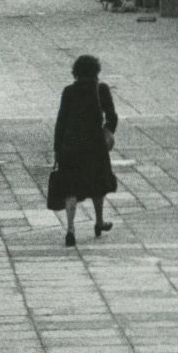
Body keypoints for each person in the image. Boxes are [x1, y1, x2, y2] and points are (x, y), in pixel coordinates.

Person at [52, 53, 119, 246]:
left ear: (76, 73)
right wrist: (107, 132)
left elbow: (61, 122)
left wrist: (57, 148)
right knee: (98, 185)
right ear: (96, 71)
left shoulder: (68, 92)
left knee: (70, 188)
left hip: (70, 146)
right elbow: (112, 117)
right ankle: (98, 221)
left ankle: (70, 229)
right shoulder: (101, 89)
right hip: (94, 146)